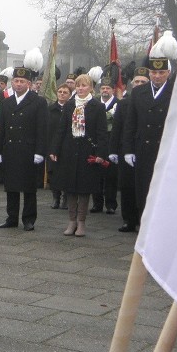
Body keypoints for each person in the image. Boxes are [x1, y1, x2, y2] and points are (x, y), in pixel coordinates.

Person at [122, 33, 177, 221]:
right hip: (143, 149)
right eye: (153, 72)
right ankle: (143, 225)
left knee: (165, 192)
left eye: (161, 72)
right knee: (144, 189)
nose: (157, 76)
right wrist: (128, 150)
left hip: (166, 150)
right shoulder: (138, 92)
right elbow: (131, 124)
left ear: (168, 73)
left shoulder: (176, 92)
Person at [0, 49, 48, 231]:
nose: (18, 84)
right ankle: (11, 217)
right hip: (11, 149)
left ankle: (29, 218)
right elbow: (1, 128)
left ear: (29, 83)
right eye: (15, 81)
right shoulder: (7, 102)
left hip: (29, 150)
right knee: (11, 186)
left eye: (22, 81)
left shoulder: (38, 102)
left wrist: (40, 151)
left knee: (29, 187)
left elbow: (42, 129)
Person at [49, 74, 108, 237]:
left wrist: (100, 154)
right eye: (78, 86)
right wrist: (55, 149)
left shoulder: (97, 106)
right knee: (70, 188)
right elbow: (61, 129)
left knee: (83, 189)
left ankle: (81, 222)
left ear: (90, 88)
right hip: (69, 150)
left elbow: (102, 133)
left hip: (87, 152)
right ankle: (71, 221)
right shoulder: (69, 105)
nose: (80, 89)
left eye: (84, 86)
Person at [111, 67, 149, 232]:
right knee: (127, 186)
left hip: (145, 149)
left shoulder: (151, 102)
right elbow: (117, 128)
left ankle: (143, 219)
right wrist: (113, 150)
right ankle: (128, 219)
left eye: (143, 82)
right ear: (132, 84)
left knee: (144, 187)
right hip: (126, 148)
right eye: (137, 81)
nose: (139, 84)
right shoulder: (124, 103)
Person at [91, 76, 119, 214]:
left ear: (113, 90)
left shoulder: (118, 104)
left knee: (111, 176)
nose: (105, 91)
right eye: (103, 88)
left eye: (108, 88)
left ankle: (111, 204)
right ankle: (97, 203)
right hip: (97, 143)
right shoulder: (94, 103)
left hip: (112, 143)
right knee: (96, 175)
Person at [47, 83, 72, 209]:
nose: (62, 94)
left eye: (65, 92)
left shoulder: (72, 109)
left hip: (67, 145)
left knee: (67, 172)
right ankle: (55, 197)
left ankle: (66, 198)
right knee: (53, 172)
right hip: (52, 144)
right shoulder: (50, 109)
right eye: (60, 92)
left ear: (70, 95)